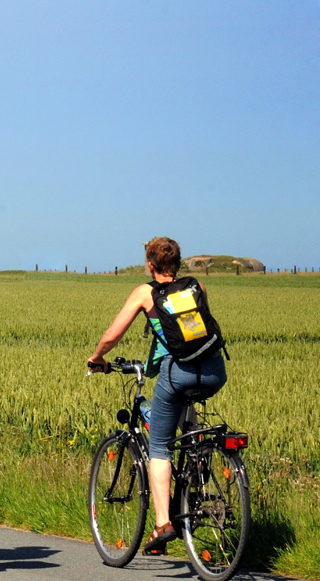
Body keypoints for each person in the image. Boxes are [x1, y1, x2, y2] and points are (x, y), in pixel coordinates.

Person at [87, 237, 227, 554]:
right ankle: (197, 468)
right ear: (177, 264)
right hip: (215, 371)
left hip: (177, 373)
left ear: (150, 266)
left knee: (160, 446)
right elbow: (194, 332)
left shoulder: (145, 293)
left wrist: (97, 358)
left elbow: (112, 336)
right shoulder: (197, 287)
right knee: (187, 430)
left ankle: (163, 522)